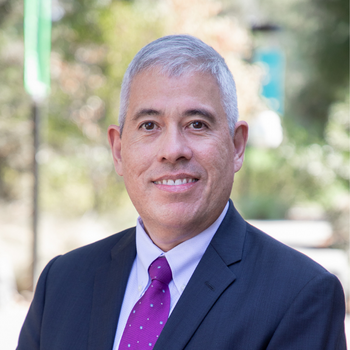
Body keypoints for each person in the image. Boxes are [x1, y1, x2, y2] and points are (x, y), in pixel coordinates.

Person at [17, 35, 346, 350]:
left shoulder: (300, 296)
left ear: (236, 146)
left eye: (197, 124)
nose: (172, 150)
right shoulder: (61, 282)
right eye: (149, 125)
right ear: (118, 150)